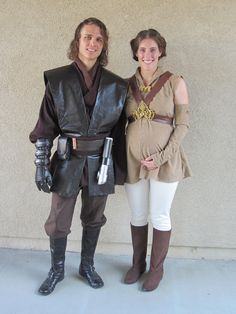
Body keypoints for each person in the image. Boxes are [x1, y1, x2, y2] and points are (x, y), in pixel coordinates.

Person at [29, 17, 128, 295]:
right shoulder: (58, 80)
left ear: (104, 44)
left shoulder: (116, 86)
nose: (92, 43)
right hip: (67, 161)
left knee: (94, 217)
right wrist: (40, 165)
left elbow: (120, 132)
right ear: (77, 41)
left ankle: (86, 265)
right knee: (59, 219)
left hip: (101, 162)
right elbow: (45, 126)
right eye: (87, 37)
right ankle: (57, 269)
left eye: (98, 38)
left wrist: (120, 169)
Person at [124, 29, 192, 292]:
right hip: (132, 160)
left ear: (160, 51)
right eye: (142, 49)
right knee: (138, 215)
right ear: (135, 53)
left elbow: (183, 124)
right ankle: (137, 264)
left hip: (166, 161)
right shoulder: (127, 85)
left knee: (160, 216)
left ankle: (157, 269)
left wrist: (162, 156)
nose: (147, 54)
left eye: (152, 49)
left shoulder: (176, 81)